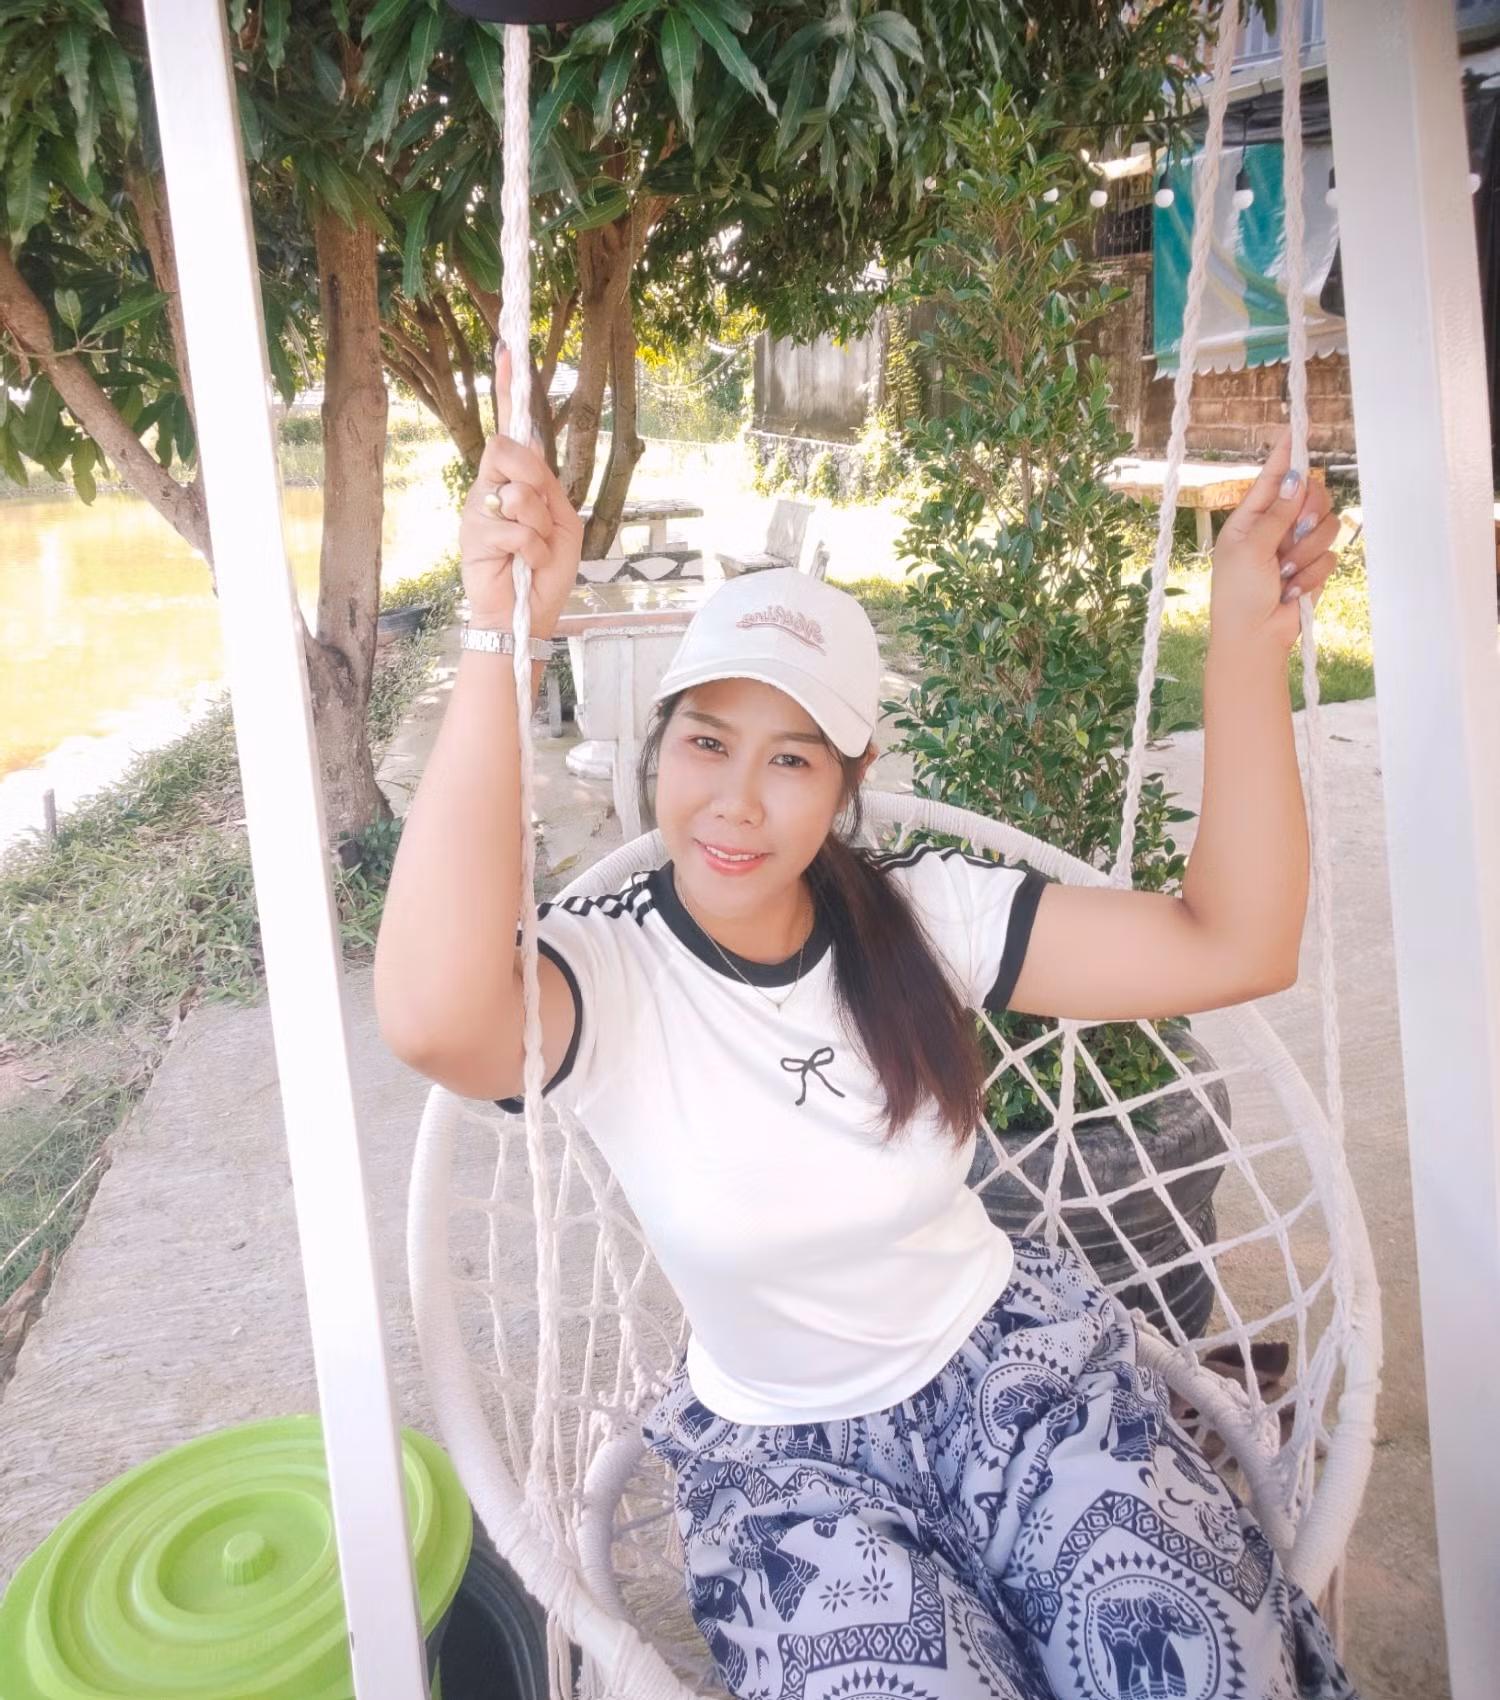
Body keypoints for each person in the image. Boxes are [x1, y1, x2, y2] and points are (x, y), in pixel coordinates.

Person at [374, 369, 1356, 1700]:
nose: (735, 801)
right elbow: (434, 1016)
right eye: (706, 742)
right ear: (659, 746)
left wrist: (1243, 638)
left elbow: (1234, 944)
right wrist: (503, 640)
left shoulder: (924, 918)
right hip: (790, 1474)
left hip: (1017, 1387)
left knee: (1195, 1669)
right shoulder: (606, 975)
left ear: (848, 780)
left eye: (790, 758)